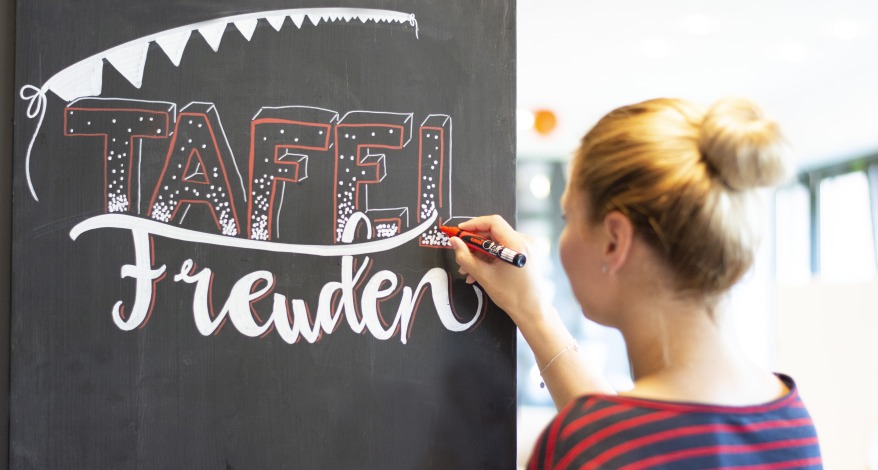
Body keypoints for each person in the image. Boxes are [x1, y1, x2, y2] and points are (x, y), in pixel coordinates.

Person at [449, 97, 823, 469]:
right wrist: (533, 312)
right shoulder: (793, 423)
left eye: (568, 217)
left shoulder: (587, 447)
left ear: (614, 240)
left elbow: (611, 445)